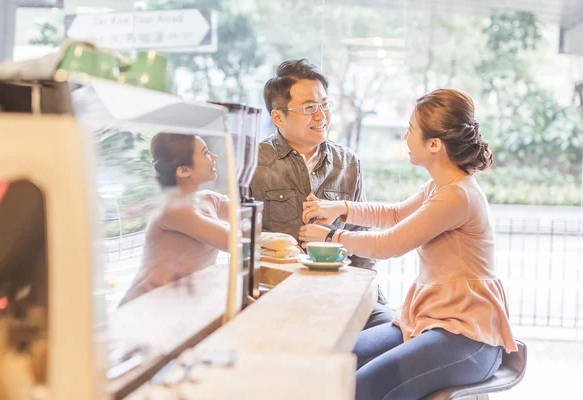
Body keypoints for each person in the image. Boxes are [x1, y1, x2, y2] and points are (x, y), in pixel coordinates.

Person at [299, 89, 517, 400]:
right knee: (336, 365)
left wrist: (332, 238)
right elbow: (395, 214)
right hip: (430, 324)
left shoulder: (458, 196)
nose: (405, 137)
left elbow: (390, 244)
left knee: (363, 387)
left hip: (468, 339)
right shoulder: (439, 187)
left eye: (411, 129)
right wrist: (340, 208)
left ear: (434, 144)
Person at [249, 59, 394, 329]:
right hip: (278, 295)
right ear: (278, 116)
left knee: (392, 327)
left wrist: (367, 295)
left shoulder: (348, 162)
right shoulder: (253, 162)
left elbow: (361, 242)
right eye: (309, 108)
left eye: (325, 105)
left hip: (340, 292)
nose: (321, 116)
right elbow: (241, 241)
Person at [119, 132, 229, 306]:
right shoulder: (173, 210)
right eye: (206, 152)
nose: (214, 157)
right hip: (144, 308)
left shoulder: (209, 199)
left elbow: (250, 219)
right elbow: (233, 241)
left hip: (178, 306)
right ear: (184, 170)